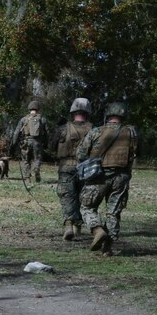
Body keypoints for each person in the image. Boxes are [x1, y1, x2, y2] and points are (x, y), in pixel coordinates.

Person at [76, 101, 139, 256]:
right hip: (122, 177)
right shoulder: (132, 133)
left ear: (108, 115)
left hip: (98, 176)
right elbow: (137, 153)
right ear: (123, 115)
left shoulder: (96, 131)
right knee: (113, 212)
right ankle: (107, 248)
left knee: (86, 207)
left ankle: (97, 230)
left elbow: (81, 154)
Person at [50, 98, 94, 241]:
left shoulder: (62, 129)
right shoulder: (94, 130)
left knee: (67, 196)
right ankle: (77, 227)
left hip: (66, 166)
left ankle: (68, 224)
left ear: (72, 112)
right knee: (82, 197)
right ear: (87, 113)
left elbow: (51, 146)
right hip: (86, 168)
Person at [12, 100, 48, 183]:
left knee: (26, 160)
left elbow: (16, 132)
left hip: (26, 142)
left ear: (29, 109)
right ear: (38, 109)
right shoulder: (42, 119)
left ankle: (27, 178)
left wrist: (14, 143)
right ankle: (37, 169)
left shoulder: (24, 119)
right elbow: (47, 132)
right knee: (37, 158)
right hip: (37, 142)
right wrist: (46, 143)